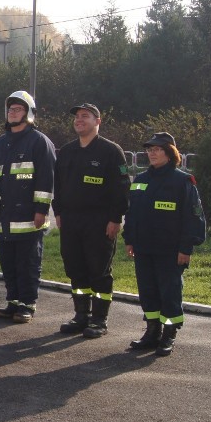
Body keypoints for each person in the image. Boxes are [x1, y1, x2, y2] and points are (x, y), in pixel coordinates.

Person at [124, 132, 206, 356]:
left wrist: (186, 248)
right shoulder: (140, 181)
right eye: (149, 149)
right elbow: (132, 214)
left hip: (170, 251)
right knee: (148, 292)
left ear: (170, 153)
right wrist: (129, 239)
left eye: (157, 149)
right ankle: (152, 333)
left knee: (169, 293)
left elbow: (194, 216)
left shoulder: (182, 181)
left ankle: (168, 335)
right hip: (143, 248)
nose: (152, 153)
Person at [0, 91, 56, 323]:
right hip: (4, 217)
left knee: (28, 263)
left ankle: (27, 304)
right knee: (8, 263)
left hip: (29, 218)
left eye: (18, 109)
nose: (13, 113)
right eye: (10, 109)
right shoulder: (0, 144)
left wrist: (41, 209)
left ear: (29, 113)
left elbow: (46, 178)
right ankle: (13, 301)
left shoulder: (39, 142)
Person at [53, 103, 130, 338]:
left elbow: (121, 187)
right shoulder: (66, 151)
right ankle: (81, 316)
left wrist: (115, 219)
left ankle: (99, 320)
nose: (79, 120)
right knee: (75, 269)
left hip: (100, 221)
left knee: (99, 270)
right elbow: (58, 185)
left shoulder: (111, 151)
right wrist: (58, 212)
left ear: (98, 121)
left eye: (85, 116)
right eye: (77, 117)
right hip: (71, 221)